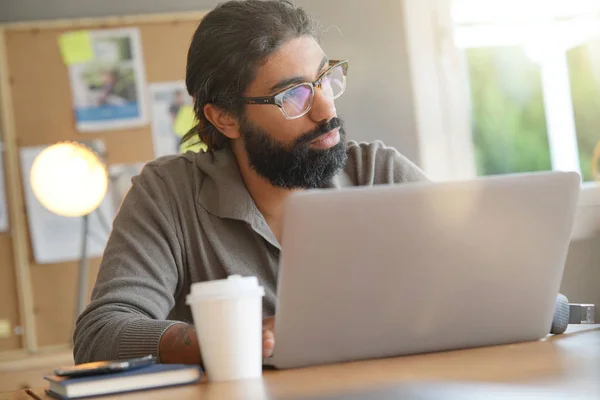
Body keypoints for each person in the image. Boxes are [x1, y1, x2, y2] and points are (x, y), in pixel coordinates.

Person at [73, 0, 428, 366]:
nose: (327, 111)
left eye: (325, 79)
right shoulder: (168, 194)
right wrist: (230, 337)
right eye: (293, 95)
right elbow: (101, 334)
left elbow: (479, 276)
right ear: (226, 118)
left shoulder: (378, 173)